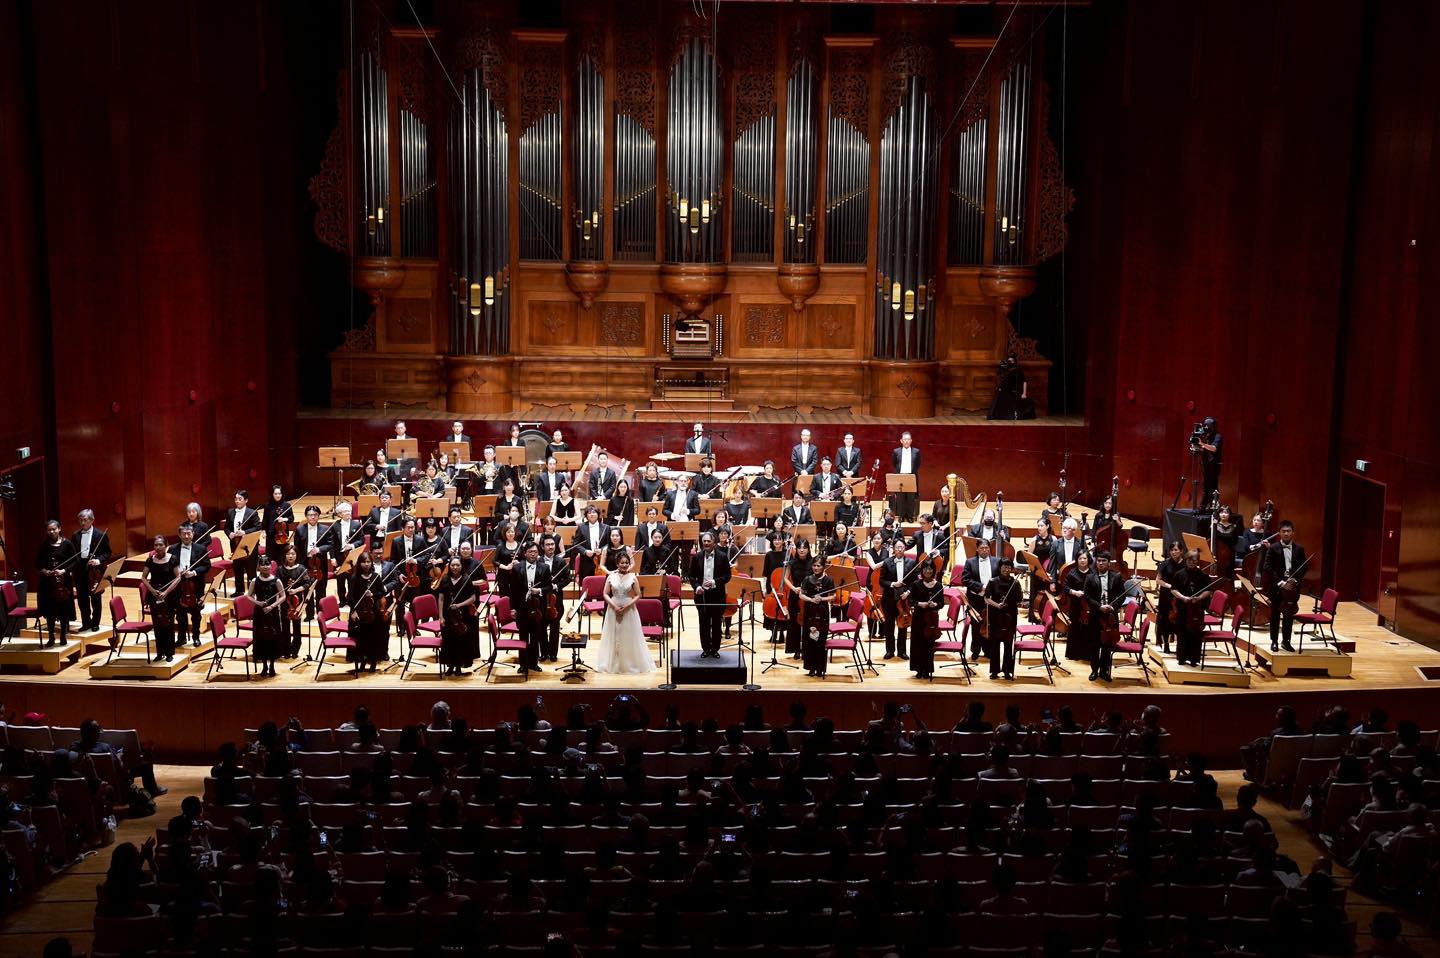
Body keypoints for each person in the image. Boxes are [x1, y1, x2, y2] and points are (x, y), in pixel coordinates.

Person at [596, 551, 653, 674]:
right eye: (622, 563)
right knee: (613, 635)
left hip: (629, 610)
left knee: (628, 636)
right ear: (617, 563)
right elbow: (605, 593)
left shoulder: (633, 577)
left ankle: (628, 663)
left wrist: (627, 606)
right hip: (613, 608)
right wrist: (614, 606)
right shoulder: (611, 576)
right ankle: (613, 664)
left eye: (626, 563)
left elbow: (638, 595)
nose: (624, 565)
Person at [506, 541, 551, 674]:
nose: (533, 554)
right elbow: (512, 590)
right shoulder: (516, 568)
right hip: (522, 608)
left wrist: (539, 591)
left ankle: (533, 663)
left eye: (535, 552)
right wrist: (513, 608)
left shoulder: (544, 567)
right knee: (523, 637)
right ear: (525, 553)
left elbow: (548, 587)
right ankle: (523, 664)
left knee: (535, 637)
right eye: (530, 552)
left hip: (538, 609)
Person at [1264, 521, 1307, 652]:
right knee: (1275, 615)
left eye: (1289, 531)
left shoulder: (1299, 549)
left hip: (1292, 588)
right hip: (1277, 587)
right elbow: (1268, 567)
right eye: (1284, 531)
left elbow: (1304, 567)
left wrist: (1294, 580)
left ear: (1293, 532)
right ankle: (1274, 641)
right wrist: (1280, 582)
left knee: (1288, 615)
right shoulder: (1273, 548)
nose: (1286, 533)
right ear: (1280, 533)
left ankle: (1286, 641)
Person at [36, 520, 78, 649]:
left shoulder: (67, 544)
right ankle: (51, 637)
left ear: (59, 529)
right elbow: (38, 563)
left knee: (63, 610)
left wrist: (64, 571)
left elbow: (75, 561)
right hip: (48, 584)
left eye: (54, 529)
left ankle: (63, 637)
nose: (52, 532)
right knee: (50, 611)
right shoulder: (44, 545)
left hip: (63, 583)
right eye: (49, 530)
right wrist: (44, 571)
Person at [1084, 552, 1125, 680]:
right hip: (1096, 615)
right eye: (1098, 561)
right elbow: (1087, 596)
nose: (1100, 563)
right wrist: (1099, 606)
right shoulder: (1090, 577)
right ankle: (1094, 670)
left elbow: (1122, 595)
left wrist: (1113, 607)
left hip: (1111, 616)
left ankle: (1104, 670)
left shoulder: (1116, 577)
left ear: (1108, 562)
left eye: (1103, 561)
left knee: (1108, 644)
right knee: (1094, 644)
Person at [689, 532, 731, 658]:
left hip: (717, 594)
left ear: (714, 542)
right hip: (701, 595)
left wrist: (714, 582)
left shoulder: (722, 557)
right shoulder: (696, 557)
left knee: (717, 623)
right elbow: (691, 576)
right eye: (704, 541)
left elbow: (727, 576)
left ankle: (715, 649)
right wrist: (696, 586)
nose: (706, 543)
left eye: (708, 541)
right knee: (704, 623)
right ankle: (706, 649)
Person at [436, 557, 480, 676]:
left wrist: (459, 605)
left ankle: (459, 667)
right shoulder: (444, 579)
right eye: (453, 565)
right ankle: (450, 666)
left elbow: (473, 598)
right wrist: (441, 617)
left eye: (457, 565)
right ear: (449, 566)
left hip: (463, 617)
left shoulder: (466, 579)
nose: (455, 568)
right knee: (448, 641)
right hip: (447, 615)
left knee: (461, 641)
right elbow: (441, 599)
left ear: (461, 567)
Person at [1171, 550, 1215, 667]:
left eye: (1194, 560)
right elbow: (1173, 589)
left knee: (1196, 634)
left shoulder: (1203, 576)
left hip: (1197, 609)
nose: (1192, 562)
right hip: (1182, 608)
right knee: (1182, 634)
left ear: (1197, 561)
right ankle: (1181, 658)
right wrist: (1183, 597)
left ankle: (1194, 659)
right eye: (1189, 560)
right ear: (1186, 560)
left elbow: (1208, 590)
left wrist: (1199, 598)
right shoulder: (1179, 574)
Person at [169, 524, 210, 647]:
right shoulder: (172, 549)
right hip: (178, 586)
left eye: (189, 533)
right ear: (179, 535)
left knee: (196, 615)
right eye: (184, 534)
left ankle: (196, 637)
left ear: (193, 534)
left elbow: (206, 565)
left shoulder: (201, 549)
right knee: (180, 615)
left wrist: (194, 572)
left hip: (195, 586)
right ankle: (181, 638)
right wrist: (177, 573)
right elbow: (169, 565)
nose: (186, 536)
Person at [140, 535, 179, 661]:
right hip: (154, 596)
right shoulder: (150, 560)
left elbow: (178, 577)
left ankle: (169, 653)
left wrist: (166, 592)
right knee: (157, 625)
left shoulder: (172, 559)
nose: (158, 547)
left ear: (166, 546)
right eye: (156, 545)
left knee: (168, 624)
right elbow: (143, 578)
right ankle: (159, 652)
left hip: (169, 597)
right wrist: (152, 591)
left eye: (160, 545)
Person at [984, 558, 1022, 679]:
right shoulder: (993, 581)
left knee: (1008, 644)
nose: (1006, 569)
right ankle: (994, 671)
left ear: (1011, 569)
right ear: (1000, 568)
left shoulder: (1015, 583)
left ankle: (1007, 670)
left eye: (1009, 567)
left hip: (1010, 616)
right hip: (996, 616)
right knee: (994, 644)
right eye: (1004, 567)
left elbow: (1019, 599)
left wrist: (1016, 599)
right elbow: (986, 598)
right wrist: (996, 605)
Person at [247, 557, 285, 676]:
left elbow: (283, 596)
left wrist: (272, 606)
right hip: (259, 613)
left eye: (267, 564)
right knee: (261, 638)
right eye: (262, 564)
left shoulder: (277, 581)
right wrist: (258, 603)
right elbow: (249, 596)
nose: (265, 566)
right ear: (258, 567)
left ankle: (272, 666)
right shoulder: (254, 581)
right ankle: (264, 666)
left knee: (273, 638)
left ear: (271, 566)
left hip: (272, 613)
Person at [878, 538, 915, 660]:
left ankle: (902, 651)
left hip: (903, 599)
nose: (899, 549)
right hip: (889, 598)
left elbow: (914, 582)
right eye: (897, 547)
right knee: (889, 626)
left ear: (905, 548)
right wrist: (893, 584)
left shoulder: (911, 563)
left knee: (903, 625)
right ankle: (890, 651)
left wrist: (908, 592)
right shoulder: (887, 562)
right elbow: (881, 581)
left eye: (902, 547)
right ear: (893, 549)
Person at [962, 540, 999, 660]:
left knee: (989, 624)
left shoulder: (996, 561)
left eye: (987, 548)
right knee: (976, 625)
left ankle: (988, 650)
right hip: (975, 598)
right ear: (977, 549)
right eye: (982, 548)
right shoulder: (970, 562)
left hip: (991, 599)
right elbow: (965, 580)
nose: (985, 550)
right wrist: (981, 587)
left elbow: (999, 578)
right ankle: (976, 650)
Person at [908, 560, 945, 679]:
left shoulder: (938, 586)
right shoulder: (916, 584)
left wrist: (935, 605)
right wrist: (920, 604)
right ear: (922, 571)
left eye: (930, 569)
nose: (928, 571)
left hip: (932, 620)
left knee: (929, 645)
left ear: (934, 570)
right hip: (919, 618)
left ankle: (927, 669)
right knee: (918, 643)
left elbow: (941, 603)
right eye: (925, 569)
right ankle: (919, 669)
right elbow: (911, 601)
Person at [797, 557, 833, 677]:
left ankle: (820, 668)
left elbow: (833, 596)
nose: (816, 568)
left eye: (818, 566)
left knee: (820, 641)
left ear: (823, 567)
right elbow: (801, 595)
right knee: (809, 640)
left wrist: (822, 598)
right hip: (809, 612)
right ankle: (811, 668)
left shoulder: (828, 580)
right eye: (814, 566)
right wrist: (811, 599)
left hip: (822, 612)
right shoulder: (807, 579)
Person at [275, 544, 311, 659]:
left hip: (297, 601)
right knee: (285, 626)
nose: (290, 556)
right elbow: (276, 584)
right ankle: (285, 650)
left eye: (293, 554)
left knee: (297, 625)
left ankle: (295, 650)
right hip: (284, 600)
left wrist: (296, 589)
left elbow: (307, 583)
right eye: (288, 554)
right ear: (285, 555)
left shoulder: (301, 569)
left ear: (296, 555)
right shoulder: (280, 569)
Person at [1154, 541, 1185, 654]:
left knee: (1179, 621)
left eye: (1176, 550)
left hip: (1180, 596)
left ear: (1181, 551)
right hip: (1166, 596)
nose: (1173, 552)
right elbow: (1158, 580)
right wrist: (1170, 586)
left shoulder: (1186, 564)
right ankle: (1166, 644)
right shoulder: (1165, 564)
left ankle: (1179, 646)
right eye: (1172, 550)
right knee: (1165, 621)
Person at [889, 432, 921, 522]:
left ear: (911, 441)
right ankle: (901, 516)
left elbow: (918, 464)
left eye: (908, 439)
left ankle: (910, 516)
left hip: (911, 476)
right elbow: (894, 463)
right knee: (900, 498)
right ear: (901, 441)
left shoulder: (916, 451)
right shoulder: (896, 451)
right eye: (905, 439)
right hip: (900, 476)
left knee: (911, 497)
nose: (906, 441)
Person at [1196, 417, 1222, 506]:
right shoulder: (1206, 436)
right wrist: (1200, 447)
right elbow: (1206, 449)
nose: (1206, 428)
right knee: (1206, 486)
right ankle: (1207, 506)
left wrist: (1202, 444)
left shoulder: (1217, 436)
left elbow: (1214, 448)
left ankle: (1211, 507)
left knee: (1212, 487)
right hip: (1206, 464)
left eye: (1207, 426)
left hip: (1214, 465)